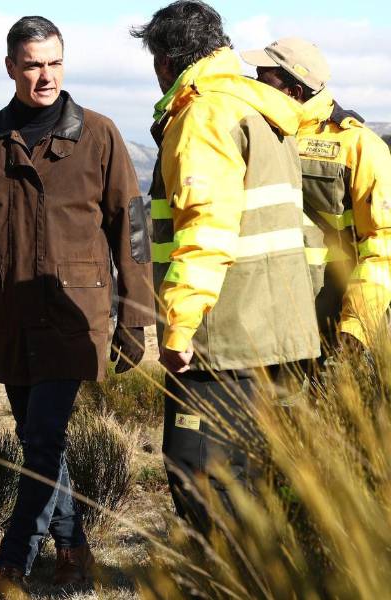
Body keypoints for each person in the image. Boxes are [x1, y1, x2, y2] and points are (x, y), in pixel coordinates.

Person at [0, 15, 154, 599]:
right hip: (10, 317)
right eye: (32, 64)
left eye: (54, 63)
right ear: (10, 67)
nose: (45, 76)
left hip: (74, 317)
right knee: (40, 441)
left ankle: (12, 567)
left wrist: (135, 315)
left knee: (42, 440)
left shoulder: (99, 136)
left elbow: (132, 230)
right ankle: (75, 553)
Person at [131, 2, 320, 531]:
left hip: (224, 339)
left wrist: (181, 324)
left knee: (201, 475)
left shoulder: (204, 114)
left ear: (165, 62)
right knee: (261, 479)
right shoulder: (259, 108)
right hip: (281, 334)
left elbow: (206, 229)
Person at [242, 37, 391, 352]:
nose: (255, 86)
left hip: (330, 331)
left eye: (264, 80)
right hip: (263, 329)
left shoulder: (359, 147)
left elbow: (382, 250)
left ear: (294, 92)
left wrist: (355, 330)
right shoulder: (255, 134)